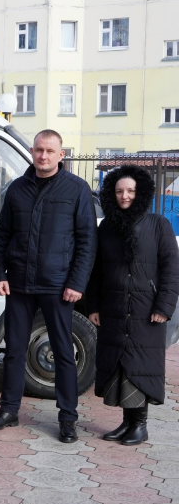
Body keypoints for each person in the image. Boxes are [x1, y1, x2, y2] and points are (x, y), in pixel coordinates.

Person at [0, 129, 97, 443]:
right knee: (14, 352)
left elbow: (88, 242)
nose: (43, 156)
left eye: (49, 151)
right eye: (38, 150)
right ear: (32, 152)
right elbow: (2, 236)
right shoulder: (17, 189)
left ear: (61, 155)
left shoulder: (77, 189)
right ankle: (8, 410)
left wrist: (77, 282)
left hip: (59, 286)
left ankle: (68, 418)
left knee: (63, 352)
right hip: (19, 283)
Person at [88, 165, 179, 445]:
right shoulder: (107, 227)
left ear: (140, 192)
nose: (124, 196)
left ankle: (140, 425)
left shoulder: (158, 224)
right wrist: (93, 306)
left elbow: (171, 268)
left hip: (146, 310)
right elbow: (96, 269)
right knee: (120, 366)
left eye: (130, 191)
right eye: (118, 191)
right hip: (114, 307)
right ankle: (127, 423)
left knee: (140, 365)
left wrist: (164, 307)